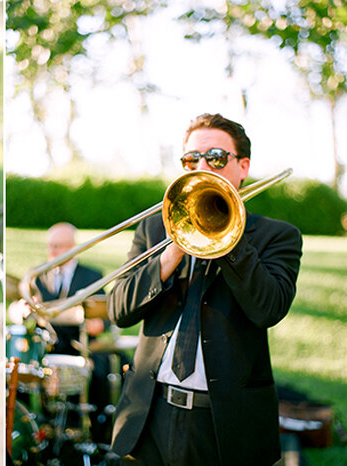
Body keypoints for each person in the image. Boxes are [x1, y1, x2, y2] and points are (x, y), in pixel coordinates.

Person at [108, 113, 302, 466]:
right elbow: (119, 310)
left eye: (214, 157)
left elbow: (268, 309)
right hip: (150, 416)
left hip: (223, 426)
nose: (200, 165)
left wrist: (225, 236)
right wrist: (171, 253)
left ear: (242, 166)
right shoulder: (155, 228)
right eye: (190, 158)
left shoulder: (278, 235)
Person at [35, 222, 113, 441]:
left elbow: (106, 310)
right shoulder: (40, 275)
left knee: (101, 370)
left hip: (84, 345)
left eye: (58, 246)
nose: (52, 252)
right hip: (52, 343)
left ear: (72, 247)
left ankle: (94, 427)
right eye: (50, 246)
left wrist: (99, 324)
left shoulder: (91, 275)